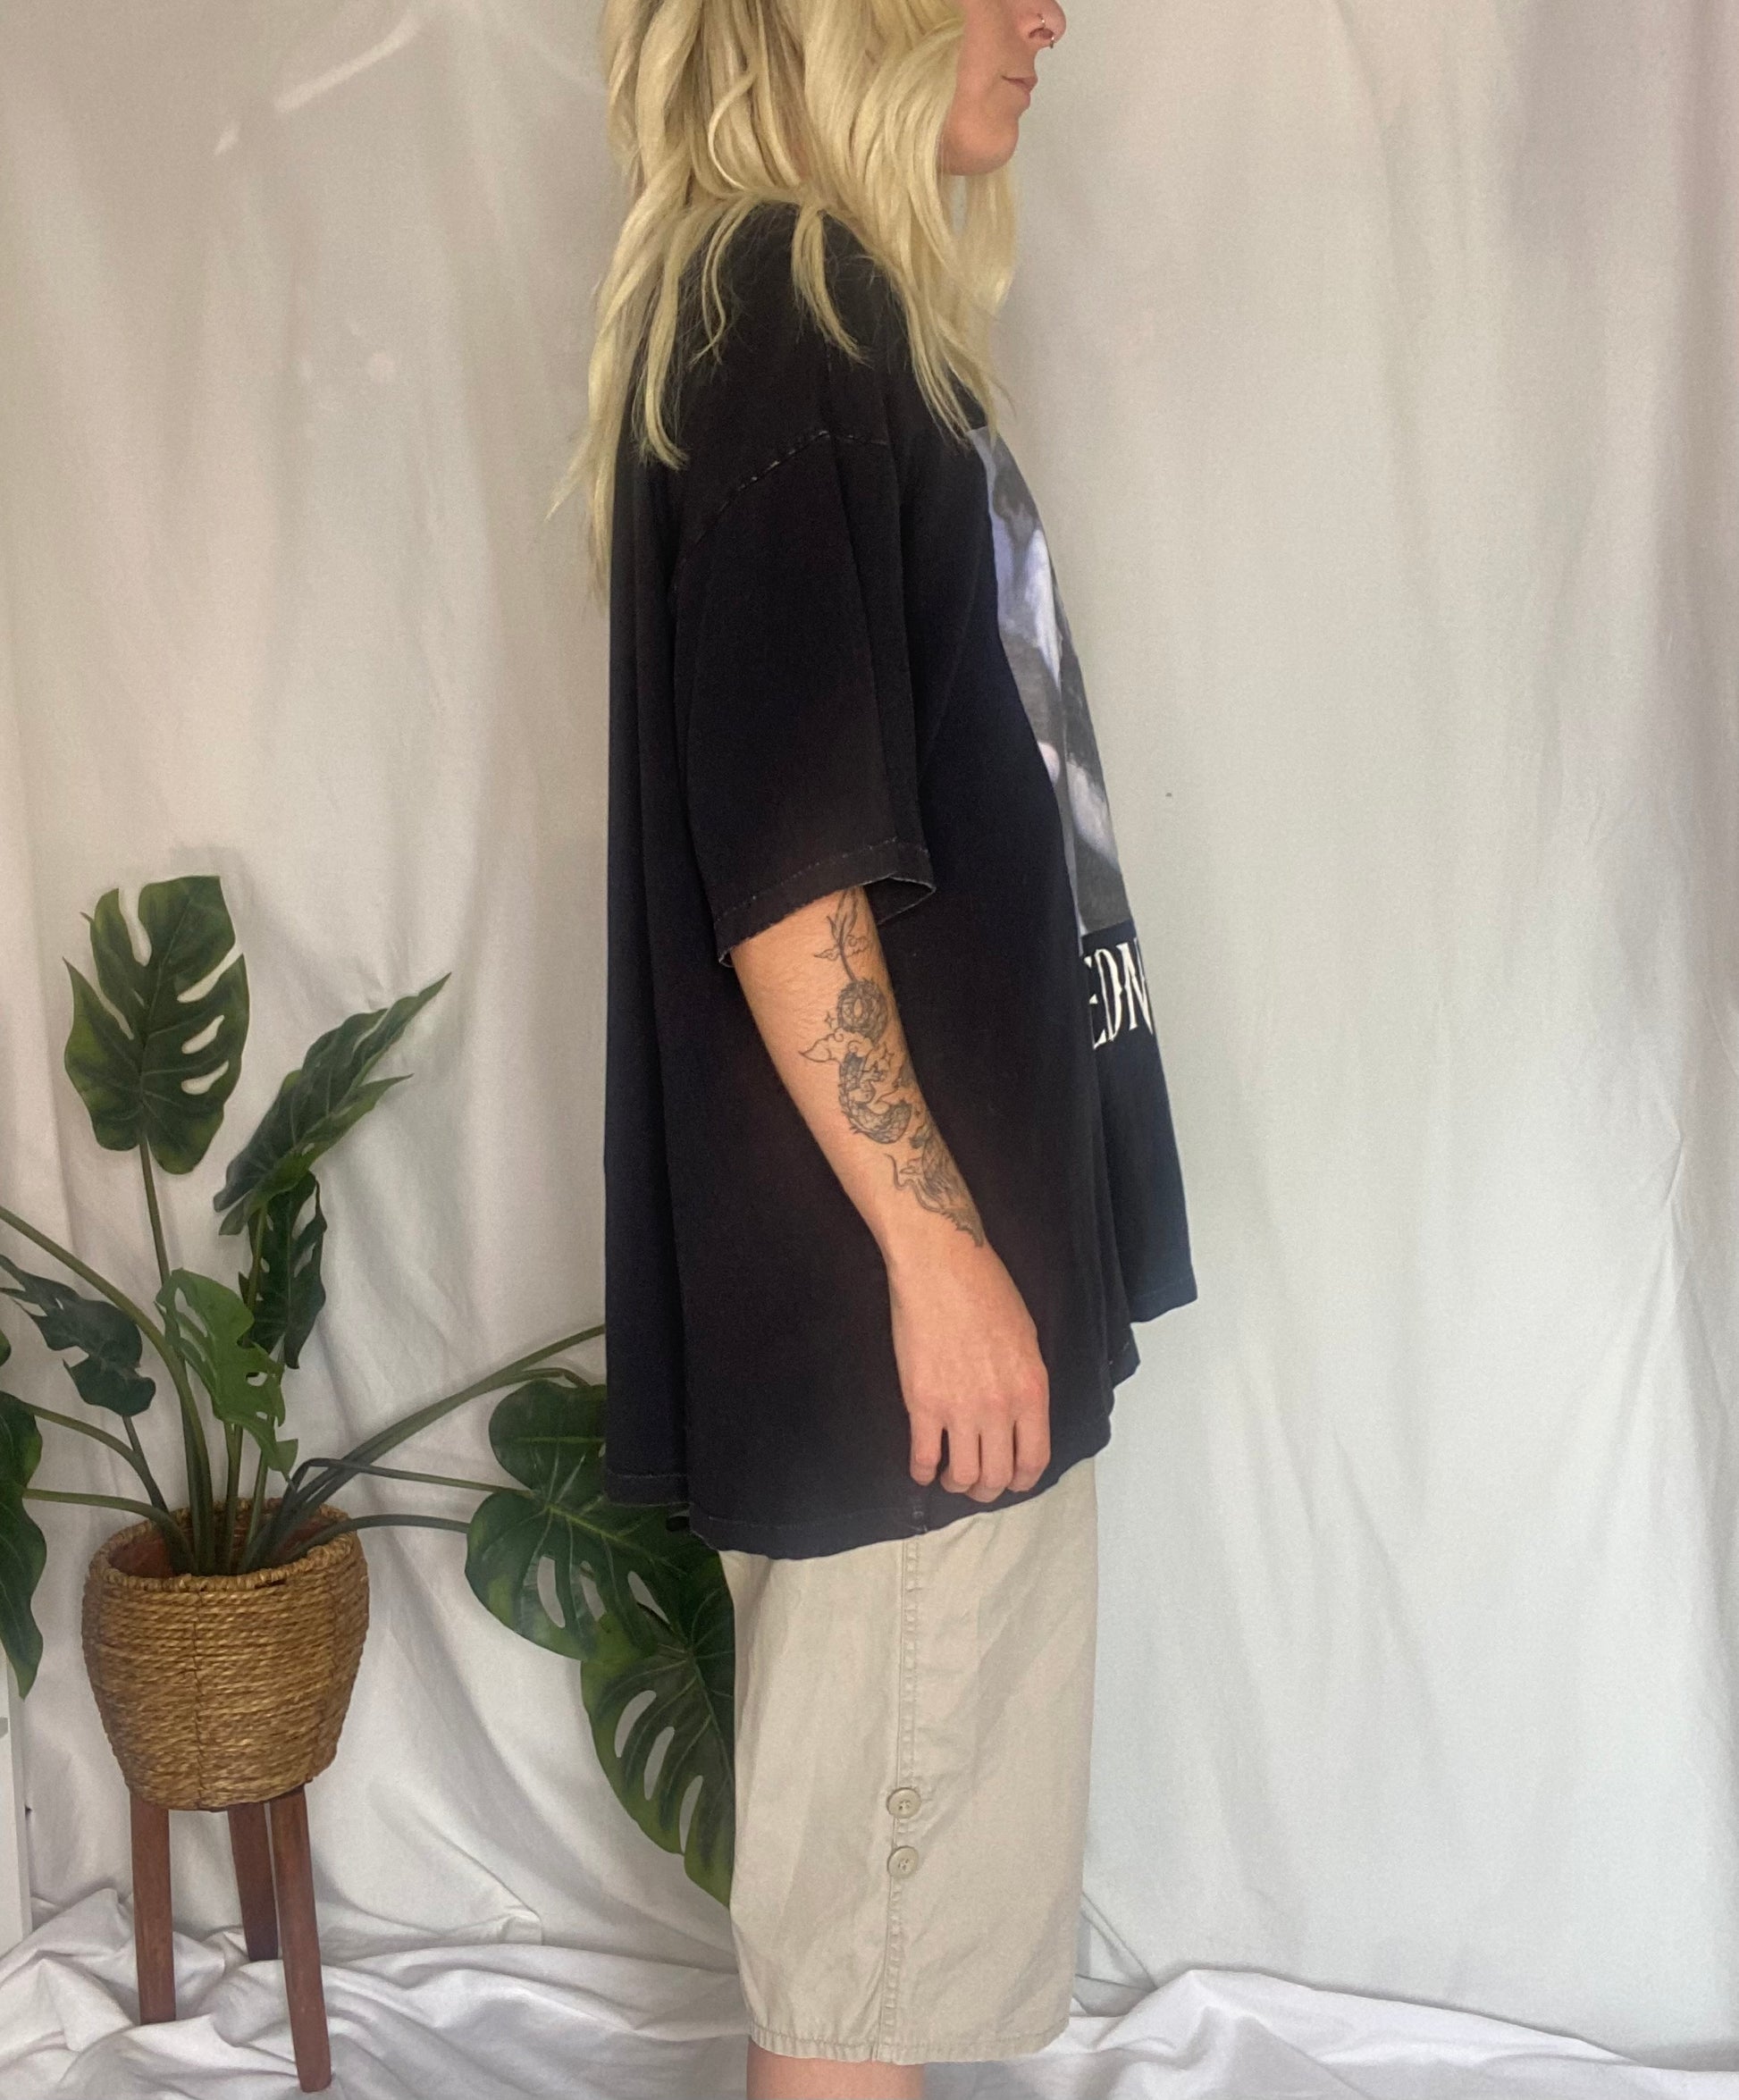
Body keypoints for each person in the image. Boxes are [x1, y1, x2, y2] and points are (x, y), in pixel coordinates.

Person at [555, 2, 1194, 2092]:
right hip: (896, 1335)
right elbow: (788, 871)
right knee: (865, 1996)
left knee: (894, 1972)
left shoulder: (831, 318)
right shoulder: (786, 311)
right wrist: (937, 1253)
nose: (1045, 14)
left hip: (929, 1314)